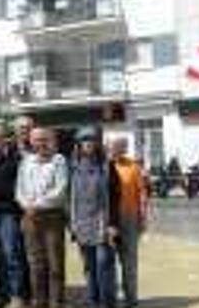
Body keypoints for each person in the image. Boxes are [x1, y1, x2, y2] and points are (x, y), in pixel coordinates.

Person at [16, 127, 69, 308]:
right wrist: (25, 205)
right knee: (35, 264)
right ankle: (40, 301)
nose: (40, 143)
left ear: (49, 140)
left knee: (55, 264)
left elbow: (60, 190)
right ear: (31, 141)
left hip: (52, 217)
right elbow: (19, 189)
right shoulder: (26, 161)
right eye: (36, 139)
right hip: (29, 217)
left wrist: (36, 205)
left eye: (43, 139)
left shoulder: (58, 160)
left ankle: (57, 301)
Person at [70, 127, 120, 308]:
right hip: (82, 223)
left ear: (97, 144)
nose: (88, 143)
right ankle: (93, 301)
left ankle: (107, 302)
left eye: (91, 140)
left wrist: (113, 224)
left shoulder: (107, 166)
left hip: (103, 224)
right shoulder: (73, 167)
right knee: (89, 267)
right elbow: (71, 198)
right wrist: (73, 224)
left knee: (103, 264)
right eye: (84, 140)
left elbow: (115, 197)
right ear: (79, 145)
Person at [0, 125, 29, 308]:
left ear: (3, 139)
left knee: (12, 255)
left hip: (9, 213)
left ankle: (17, 295)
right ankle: (2, 294)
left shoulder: (17, 158)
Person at [109, 137, 147, 308]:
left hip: (129, 217)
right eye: (115, 146)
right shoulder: (103, 166)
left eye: (122, 146)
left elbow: (142, 193)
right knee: (107, 260)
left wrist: (143, 217)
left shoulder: (133, 166)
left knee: (129, 260)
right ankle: (109, 297)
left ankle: (131, 298)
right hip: (108, 218)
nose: (118, 149)